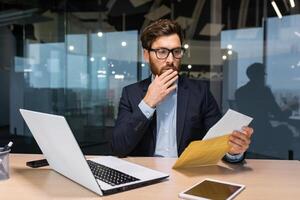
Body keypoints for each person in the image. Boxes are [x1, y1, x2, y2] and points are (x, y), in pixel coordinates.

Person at [112, 19, 253, 163]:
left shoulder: (200, 92)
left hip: (187, 174)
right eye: (162, 52)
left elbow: (218, 143)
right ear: (147, 55)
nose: (171, 59)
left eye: (176, 51)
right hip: (145, 174)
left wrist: (233, 151)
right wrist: (148, 103)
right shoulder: (131, 94)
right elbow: (119, 147)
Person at [235, 63, 293, 158]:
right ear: (259, 75)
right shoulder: (264, 91)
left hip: (246, 133)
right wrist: (290, 110)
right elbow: (278, 115)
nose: (264, 76)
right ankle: (284, 159)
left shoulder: (240, 92)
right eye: (263, 74)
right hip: (263, 132)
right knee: (285, 132)